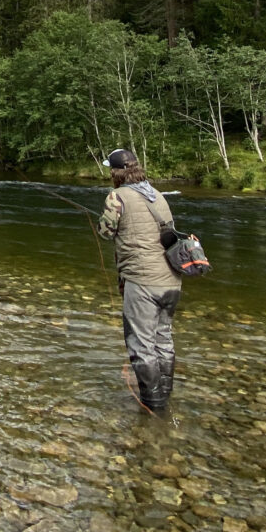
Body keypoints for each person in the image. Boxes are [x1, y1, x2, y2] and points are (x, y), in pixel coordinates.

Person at [98, 148, 181, 416]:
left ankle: (152, 406)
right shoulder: (157, 195)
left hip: (142, 282)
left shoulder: (117, 196)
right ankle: (164, 399)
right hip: (171, 281)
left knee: (142, 347)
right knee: (163, 341)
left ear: (115, 171)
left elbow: (105, 232)